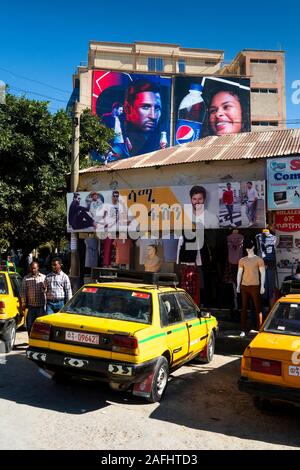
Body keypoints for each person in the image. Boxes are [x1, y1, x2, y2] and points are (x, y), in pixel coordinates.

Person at [124, 79, 162, 157]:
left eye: (157, 108)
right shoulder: (117, 144)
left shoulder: (161, 143)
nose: (153, 116)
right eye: (145, 107)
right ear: (127, 108)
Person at [21, 261, 46, 334]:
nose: (33, 270)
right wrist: (24, 302)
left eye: (34, 268)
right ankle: (30, 340)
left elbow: (47, 290)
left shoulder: (44, 277)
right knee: (29, 326)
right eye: (31, 268)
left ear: (38, 268)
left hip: (41, 307)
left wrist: (45, 289)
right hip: (31, 307)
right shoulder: (26, 278)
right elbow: (23, 291)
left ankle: (38, 343)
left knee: (40, 327)